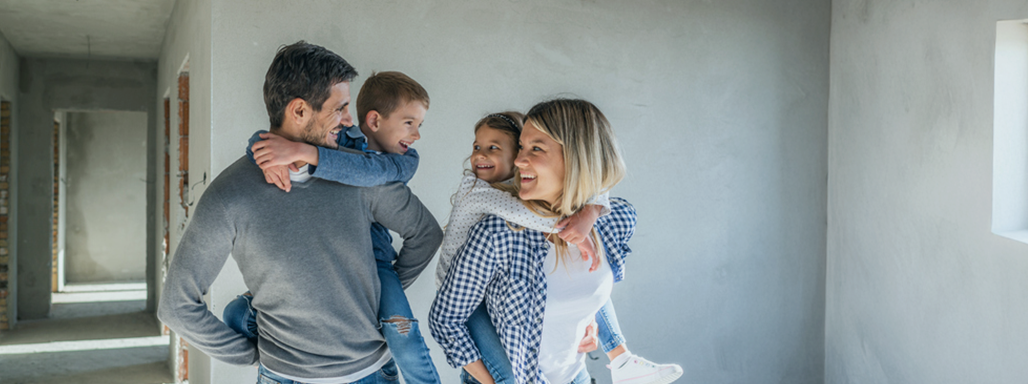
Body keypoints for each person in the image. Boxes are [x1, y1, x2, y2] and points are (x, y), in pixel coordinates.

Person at [157, 41, 443, 384]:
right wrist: (252, 355)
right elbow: (177, 306)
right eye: (340, 109)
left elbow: (425, 233)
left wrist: (379, 295)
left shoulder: (359, 173)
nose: (351, 121)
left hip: (371, 375)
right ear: (299, 111)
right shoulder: (229, 196)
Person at [430, 99, 683, 384]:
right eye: (522, 148)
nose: (518, 161)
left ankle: (623, 360)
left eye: (535, 148)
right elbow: (446, 320)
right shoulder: (498, 232)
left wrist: (585, 321)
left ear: (579, 157)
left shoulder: (610, 221)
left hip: (576, 376)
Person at [223, 70, 441, 384]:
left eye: (420, 125)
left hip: (374, 264)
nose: (417, 135)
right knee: (235, 315)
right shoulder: (339, 138)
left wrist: (374, 291)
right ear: (375, 121)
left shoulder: (402, 162)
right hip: (311, 259)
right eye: (410, 123)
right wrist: (266, 148)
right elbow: (269, 141)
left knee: (402, 331)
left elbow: (366, 171)